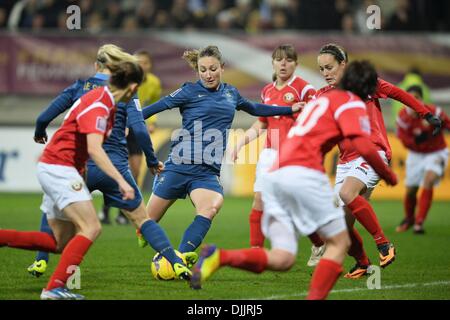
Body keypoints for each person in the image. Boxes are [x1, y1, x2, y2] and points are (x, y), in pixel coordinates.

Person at [190, 61, 398, 300]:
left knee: (283, 257)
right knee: (339, 243)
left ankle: (220, 257)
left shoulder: (321, 100)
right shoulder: (351, 102)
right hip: (303, 172)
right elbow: (362, 143)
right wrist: (387, 173)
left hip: (276, 171)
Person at [26, 44, 192, 287]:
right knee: (142, 219)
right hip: (115, 167)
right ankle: (174, 261)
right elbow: (139, 130)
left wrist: (40, 131)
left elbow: (44, 117)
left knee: (53, 205)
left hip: (82, 166)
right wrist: (152, 160)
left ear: (96, 66)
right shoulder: (125, 91)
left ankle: (41, 259)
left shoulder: (80, 87)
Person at [137, 45, 303, 256]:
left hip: (206, 172)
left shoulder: (231, 93)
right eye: (203, 70)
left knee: (210, 208)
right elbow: (152, 109)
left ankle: (179, 256)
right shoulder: (188, 91)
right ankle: (143, 231)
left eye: (213, 69)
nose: (208, 75)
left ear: (222, 68)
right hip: (179, 165)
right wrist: (126, 120)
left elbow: (255, 108)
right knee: (146, 222)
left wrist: (289, 109)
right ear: (197, 71)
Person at [0, 61, 144, 300]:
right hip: (60, 168)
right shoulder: (101, 104)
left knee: (57, 242)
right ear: (133, 88)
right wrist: (122, 180)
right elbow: (96, 150)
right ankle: (54, 288)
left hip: (60, 167)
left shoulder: (106, 100)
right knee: (91, 227)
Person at [315, 43, 441, 278]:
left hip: (372, 152)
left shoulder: (365, 83)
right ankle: (362, 262)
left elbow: (399, 93)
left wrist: (426, 114)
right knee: (338, 227)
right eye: (322, 69)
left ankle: (384, 244)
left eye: (330, 67)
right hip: (345, 161)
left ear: (344, 64)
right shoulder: (323, 96)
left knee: (346, 194)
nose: (326, 73)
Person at [229, 44, 326, 267]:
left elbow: (317, 121)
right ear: (272, 63)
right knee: (259, 199)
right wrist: (240, 144)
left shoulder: (305, 89)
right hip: (270, 154)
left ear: (296, 64)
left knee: (294, 205)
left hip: (295, 156)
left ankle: (319, 243)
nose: (284, 64)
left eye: (289, 60)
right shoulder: (267, 91)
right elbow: (262, 123)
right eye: (279, 59)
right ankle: (256, 253)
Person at [100, 49, 162, 225]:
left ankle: (123, 212)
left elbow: (153, 103)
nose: (142, 65)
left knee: (134, 170)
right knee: (115, 169)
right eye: (138, 62)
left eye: (145, 62)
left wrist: (152, 122)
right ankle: (105, 211)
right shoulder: (123, 81)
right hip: (119, 124)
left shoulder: (154, 82)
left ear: (150, 65)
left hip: (136, 124)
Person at [396, 85, 450, 234]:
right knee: (411, 190)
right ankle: (409, 218)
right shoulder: (402, 118)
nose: (413, 101)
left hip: (437, 152)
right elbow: (403, 139)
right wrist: (416, 140)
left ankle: (419, 223)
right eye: (409, 98)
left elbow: (447, 124)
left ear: (421, 99)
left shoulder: (434, 112)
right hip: (416, 155)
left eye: (416, 98)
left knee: (429, 180)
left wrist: (440, 127)